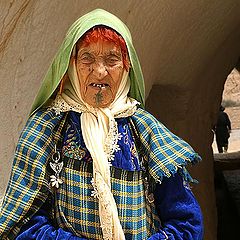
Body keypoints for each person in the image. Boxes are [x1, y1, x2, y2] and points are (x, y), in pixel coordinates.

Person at [0, 9, 203, 240]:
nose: (99, 71)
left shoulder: (148, 132)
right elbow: (22, 221)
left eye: (112, 59)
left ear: (127, 67)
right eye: (87, 58)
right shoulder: (47, 128)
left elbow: (187, 223)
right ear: (71, 66)